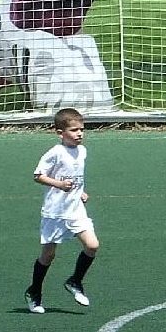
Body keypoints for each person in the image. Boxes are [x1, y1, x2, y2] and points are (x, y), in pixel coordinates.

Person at [25, 108, 100, 313]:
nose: (80, 134)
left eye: (82, 129)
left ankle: (75, 281)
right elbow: (38, 175)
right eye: (74, 130)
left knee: (92, 246)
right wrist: (58, 184)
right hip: (55, 212)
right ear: (60, 133)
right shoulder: (55, 153)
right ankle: (34, 291)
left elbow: (76, 176)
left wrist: (81, 191)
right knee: (48, 256)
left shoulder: (82, 151)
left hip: (75, 210)